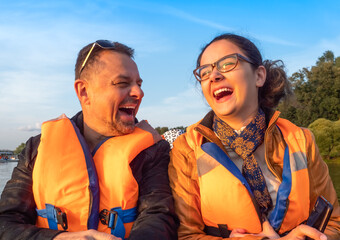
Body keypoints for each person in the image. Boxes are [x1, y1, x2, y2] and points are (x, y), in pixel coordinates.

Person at [0, 40, 178, 240]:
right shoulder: (36, 148)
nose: (139, 93)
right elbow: (6, 222)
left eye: (138, 84)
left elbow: (159, 217)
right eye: (122, 83)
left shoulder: (153, 150)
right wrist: (59, 238)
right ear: (84, 91)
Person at [168, 33, 340, 240]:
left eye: (228, 63)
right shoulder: (186, 148)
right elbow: (186, 235)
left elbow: (333, 221)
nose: (214, 76)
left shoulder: (301, 139)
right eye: (205, 72)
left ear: (259, 76)